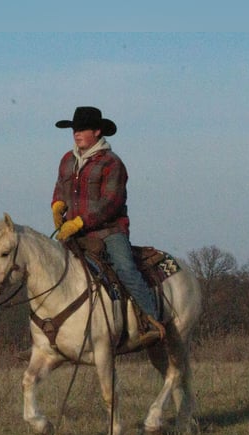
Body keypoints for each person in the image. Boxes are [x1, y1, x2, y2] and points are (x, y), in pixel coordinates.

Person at [51, 106, 165, 345]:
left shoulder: (112, 163)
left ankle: (151, 320)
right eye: (74, 129)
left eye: (82, 129)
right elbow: (60, 188)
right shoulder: (67, 160)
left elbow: (110, 203)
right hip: (73, 232)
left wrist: (80, 221)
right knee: (52, 269)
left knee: (125, 268)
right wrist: (57, 205)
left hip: (109, 232)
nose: (76, 134)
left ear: (97, 131)